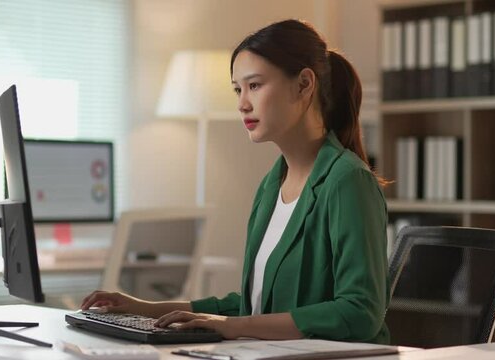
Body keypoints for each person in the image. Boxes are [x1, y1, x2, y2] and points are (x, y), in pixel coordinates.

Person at [81, 19, 390, 344]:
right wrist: (146, 309)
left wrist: (234, 326)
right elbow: (253, 307)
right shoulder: (272, 186)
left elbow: (361, 313)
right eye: (237, 89)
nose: (242, 103)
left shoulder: (347, 181)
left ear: (303, 84)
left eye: (254, 85)